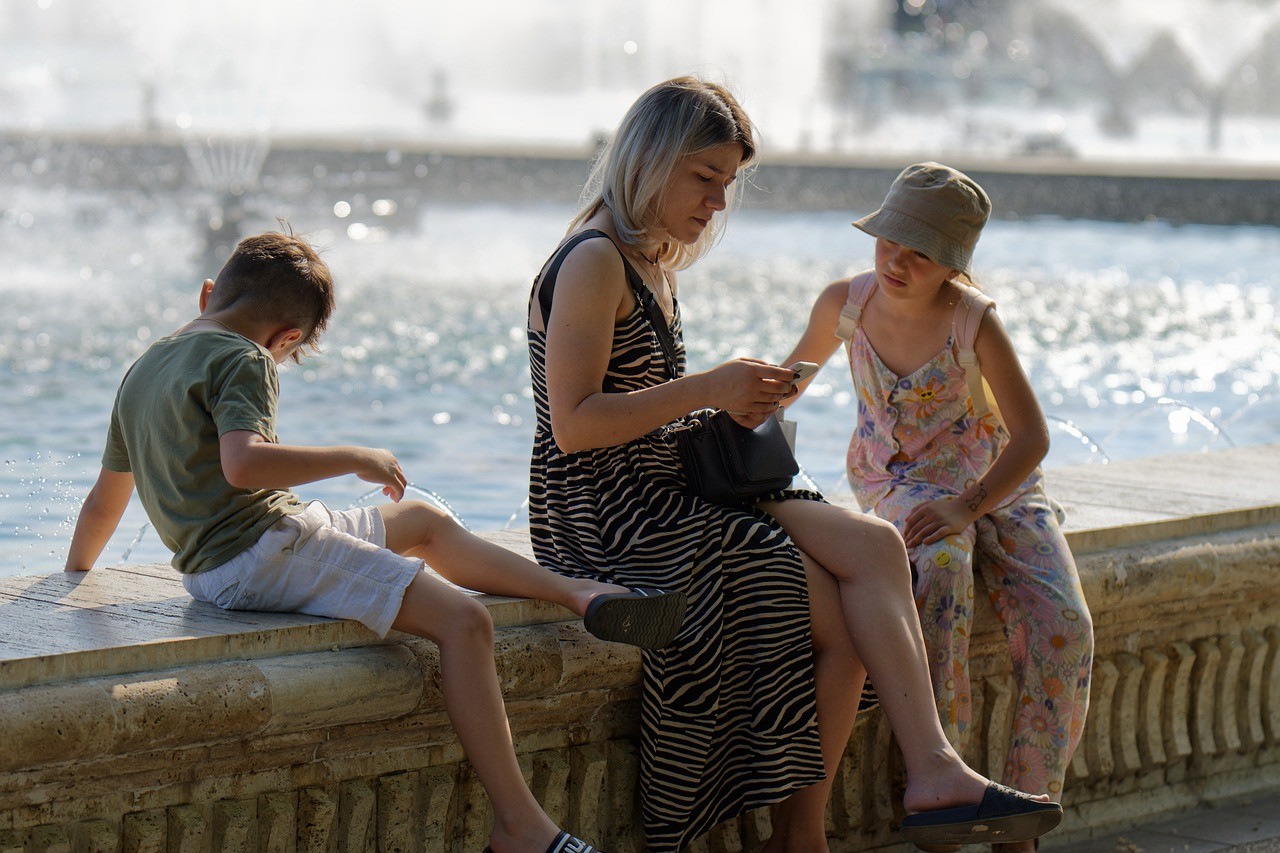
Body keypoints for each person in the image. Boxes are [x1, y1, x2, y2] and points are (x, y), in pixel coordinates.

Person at [526, 77, 1062, 853]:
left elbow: (648, 402)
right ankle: (804, 834)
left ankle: (931, 767)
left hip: (673, 480)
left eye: (727, 184)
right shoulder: (593, 261)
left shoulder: (652, 261)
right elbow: (574, 427)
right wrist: (710, 387)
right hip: (607, 513)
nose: (717, 202)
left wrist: (732, 403)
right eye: (704, 178)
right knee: (826, 605)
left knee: (876, 548)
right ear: (650, 159)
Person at [63, 231, 689, 853]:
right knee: (465, 622)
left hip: (235, 556)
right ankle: (522, 826)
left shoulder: (143, 368)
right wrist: (353, 456)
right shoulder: (244, 359)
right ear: (288, 339)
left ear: (208, 295)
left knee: (419, 520)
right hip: (262, 553)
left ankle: (579, 593)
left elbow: (103, 502)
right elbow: (244, 465)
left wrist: (72, 582)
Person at [781, 162, 1094, 853]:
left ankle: (1022, 824)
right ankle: (942, 797)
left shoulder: (972, 320)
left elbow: (1032, 437)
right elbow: (787, 383)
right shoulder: (848, 303)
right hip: (900, 483)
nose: (896, 260)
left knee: (1065, 624)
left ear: (952, 263)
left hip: (993, 483)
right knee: (942, 572)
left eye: (919, 251)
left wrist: (969, 504)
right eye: (889, 240)